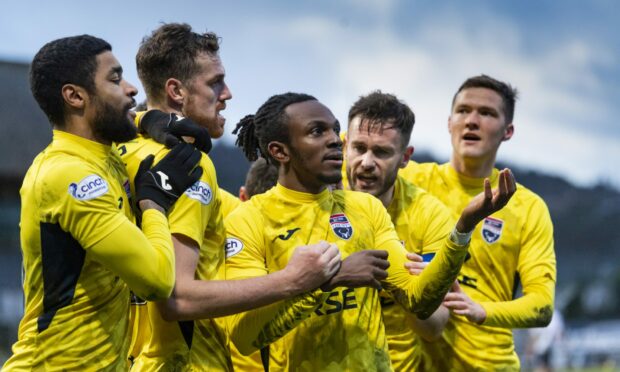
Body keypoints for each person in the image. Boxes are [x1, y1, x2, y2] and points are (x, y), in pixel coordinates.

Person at [226, 92, 516, 370]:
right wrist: (329, 278)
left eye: (333, 131)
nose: (332, 141)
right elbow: (243, 337)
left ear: (404, 158)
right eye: (317, 132)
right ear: (280, 151)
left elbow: (421, 302)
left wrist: (464, 227)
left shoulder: (367, 208)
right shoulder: (248, 219)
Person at [122, 23, 341, 370]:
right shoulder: (190, 164)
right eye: (215, 82)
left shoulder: (122, 152)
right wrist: (294, 280)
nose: (227, 94)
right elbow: (177, 297)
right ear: (176, 91)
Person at [3, 35, 203, 370]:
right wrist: (154, 201)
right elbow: (156, 281)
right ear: (75, 96)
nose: (131, 89)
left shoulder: (102, 155)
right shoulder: (69, 175)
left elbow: (122, 123)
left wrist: (144, 120)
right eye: (114, 79)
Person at [400, 74, 556, 370]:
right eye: (463, 111)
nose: (472, 120)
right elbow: (353, 149)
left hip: (487, 364)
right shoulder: (411, 181)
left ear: (507, 131)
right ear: (449, 123)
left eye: (486, 113)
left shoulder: (528, 207)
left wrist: (482, 309)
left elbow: (542, 305)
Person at [342, 91, 456, 370]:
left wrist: (402, 281)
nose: (367, 162)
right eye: (359, 148)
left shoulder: (430, 216)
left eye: (381, 152)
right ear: (344, 146)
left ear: (405, 157)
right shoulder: (318, 198)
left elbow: (435, 326)